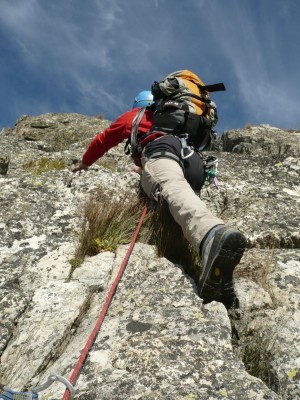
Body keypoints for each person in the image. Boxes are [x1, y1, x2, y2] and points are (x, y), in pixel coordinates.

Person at [73, 90, 246, 309]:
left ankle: (211, 234)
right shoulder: (179, 118)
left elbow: (104, 139)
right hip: (193, 162)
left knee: (172, 190)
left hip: (163, 152)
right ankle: (213, 271)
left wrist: (85, 163)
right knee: (181, 202)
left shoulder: (136, 116)